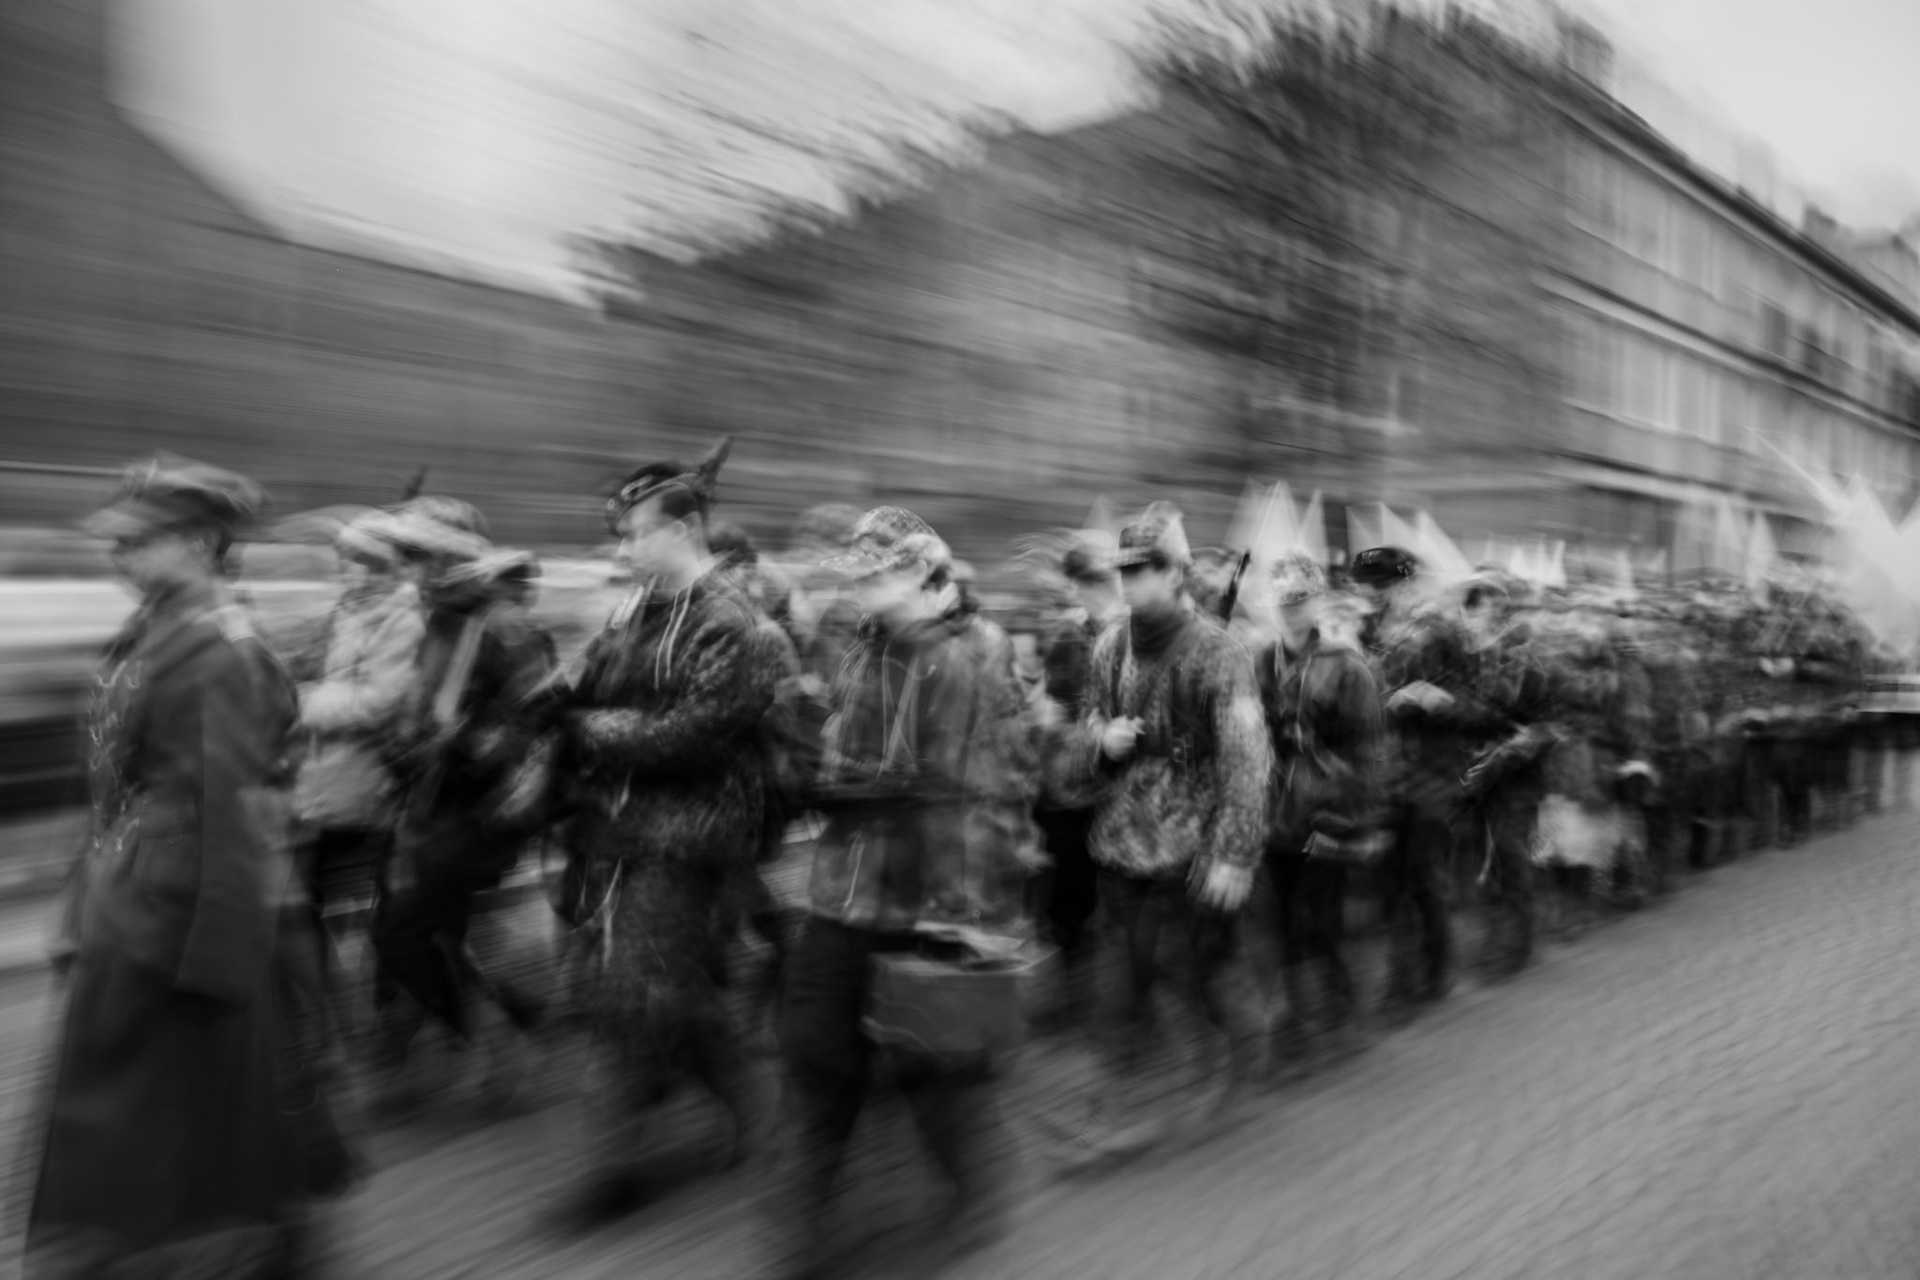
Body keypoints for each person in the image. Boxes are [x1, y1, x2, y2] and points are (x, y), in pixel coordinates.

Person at [28, 459, 318, 1277]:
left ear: (197, 543)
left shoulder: (219, 647)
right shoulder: (159, 622)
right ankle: (152, 1236)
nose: (115, 558)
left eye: (135, 542)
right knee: (135, 1094)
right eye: (116, 542)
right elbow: (110, 770)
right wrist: (85, 889)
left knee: (170, 1097)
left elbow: (227, 807)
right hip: (134, 888)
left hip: (176, 904)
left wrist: (216, 951)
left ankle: (215, 1238)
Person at [775, 505, 1038, 1278]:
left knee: (933, 1070)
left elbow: (967, 797)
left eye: (882, 573)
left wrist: (960, 920)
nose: (865, 587)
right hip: (839, 893)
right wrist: (807, 760)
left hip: (917, 896)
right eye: (859, 574)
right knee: (817, 1056)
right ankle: (807, 1232)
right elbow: (828, 746)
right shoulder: (856, 649)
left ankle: (972, 1194)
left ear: (928, 575)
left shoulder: (953, 662)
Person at [554, 439, 784, 1219]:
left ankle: (610, 1172)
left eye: (634, 531)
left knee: (634, 990)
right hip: (620, 828)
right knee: (657, 990)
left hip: (693, 832)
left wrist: (587, 728)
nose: (622, 546)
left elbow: (687, 736)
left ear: (682, 530)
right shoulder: (633, 611)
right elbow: (585, 688)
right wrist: (556, 703)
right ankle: (749, 1102)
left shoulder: (733, 622)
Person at [1062, 502, 1271, 1158]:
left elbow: (1247, 758)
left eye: (1146, 568)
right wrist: (1104, 738)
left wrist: (1234, 852)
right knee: (1118, 974)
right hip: (1123, 839)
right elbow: (1084, 730)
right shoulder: (1107, 645)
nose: (1131, 581)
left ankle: (1239, 1051)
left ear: (1177, 573)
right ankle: (1110, 1099)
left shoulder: (1220, 652)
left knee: (1202, 971)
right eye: (1124, 569)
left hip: (1194, 841)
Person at [369, 512, 554, 1110]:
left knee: (404, 934)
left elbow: (537, 720)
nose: (408, 572)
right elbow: (421, 713)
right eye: (406, 560)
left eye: (418, 559)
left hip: (479, 812)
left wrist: (468, 747)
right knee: (423, 933)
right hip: (432, 802)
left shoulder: (501, 625)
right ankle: (502, 1033)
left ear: (449, 563)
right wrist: (404, 744)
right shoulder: (440, 621)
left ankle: (500, 1042)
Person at [1253, 552, 1386, 1062]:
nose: (1289, 610)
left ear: (1316, 602)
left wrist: (1350, 820)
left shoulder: (1347, 666)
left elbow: (1368, 752)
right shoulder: (1259, 661)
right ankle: (1293, 1019)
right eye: (1282, 602)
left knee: (1321, 921)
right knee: (1281, 923)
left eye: (1299, 601)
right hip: (1273, 815)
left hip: (1327, 813)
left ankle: (1341, 1005)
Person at [290, 509, 426, 979]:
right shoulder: (352, 611)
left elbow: (379, 702)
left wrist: (300, 704)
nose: (342, 568)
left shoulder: (401, 620)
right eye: (343, 558)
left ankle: (331, 1011)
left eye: (351, 559)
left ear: (377, 565)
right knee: (302, 893)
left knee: (298, 895)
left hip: (360, 775)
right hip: (328, 771)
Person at [1352, 546, 1478, 999]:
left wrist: (1438, 700)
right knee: (1386, 878)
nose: (1374, 596)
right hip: (1380, 773)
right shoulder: (1359, 632)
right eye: (1367, 587)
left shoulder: (1441, 631)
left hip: (1431, 772)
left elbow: (1475, 704)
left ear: (1406, 582)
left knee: (1426, 877)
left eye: (1383, 586)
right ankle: (1399, 975)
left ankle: (1436, 971)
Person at [1028, 533, 1122, 1028]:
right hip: (1071, 788)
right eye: (1084, 581)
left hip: (1123, 784)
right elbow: (1057, 710)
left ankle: (1128, 993)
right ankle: (1075, 993)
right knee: (1070, 895)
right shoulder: (1067, 637)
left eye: (1099, 580)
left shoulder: (1137, 635)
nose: (1090, 590)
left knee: (1121, 893)